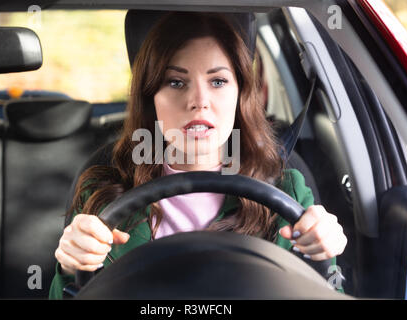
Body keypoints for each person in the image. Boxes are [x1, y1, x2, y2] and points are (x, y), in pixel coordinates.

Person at [49, 11, 347, 299]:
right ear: (151, 98)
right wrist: (70, 265)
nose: (199, 101)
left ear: (240, 94)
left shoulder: (286, 191)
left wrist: (323, 252)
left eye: (217, 81)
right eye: (176, 82)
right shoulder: (102, 195)